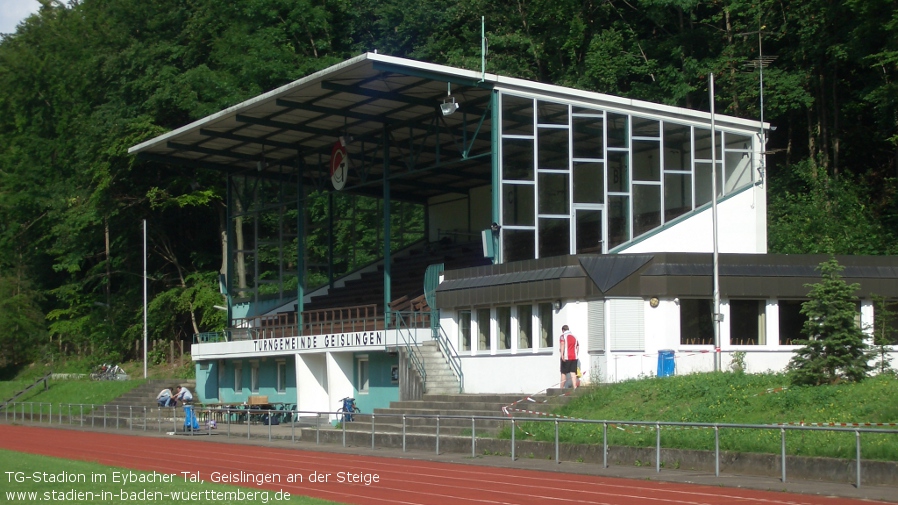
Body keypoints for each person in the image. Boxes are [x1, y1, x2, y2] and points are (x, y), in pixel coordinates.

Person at [559, 325, 580, 389]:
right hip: (574, 357)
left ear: (563, 330)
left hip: (566, 357)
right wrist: (576, 354)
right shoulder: (575, 337)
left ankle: (561, 388)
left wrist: (562, 354)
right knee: (573, 372)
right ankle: (575, 387)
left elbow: (562, 344)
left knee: (563, 372)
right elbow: (578, 346)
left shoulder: (563, 336)